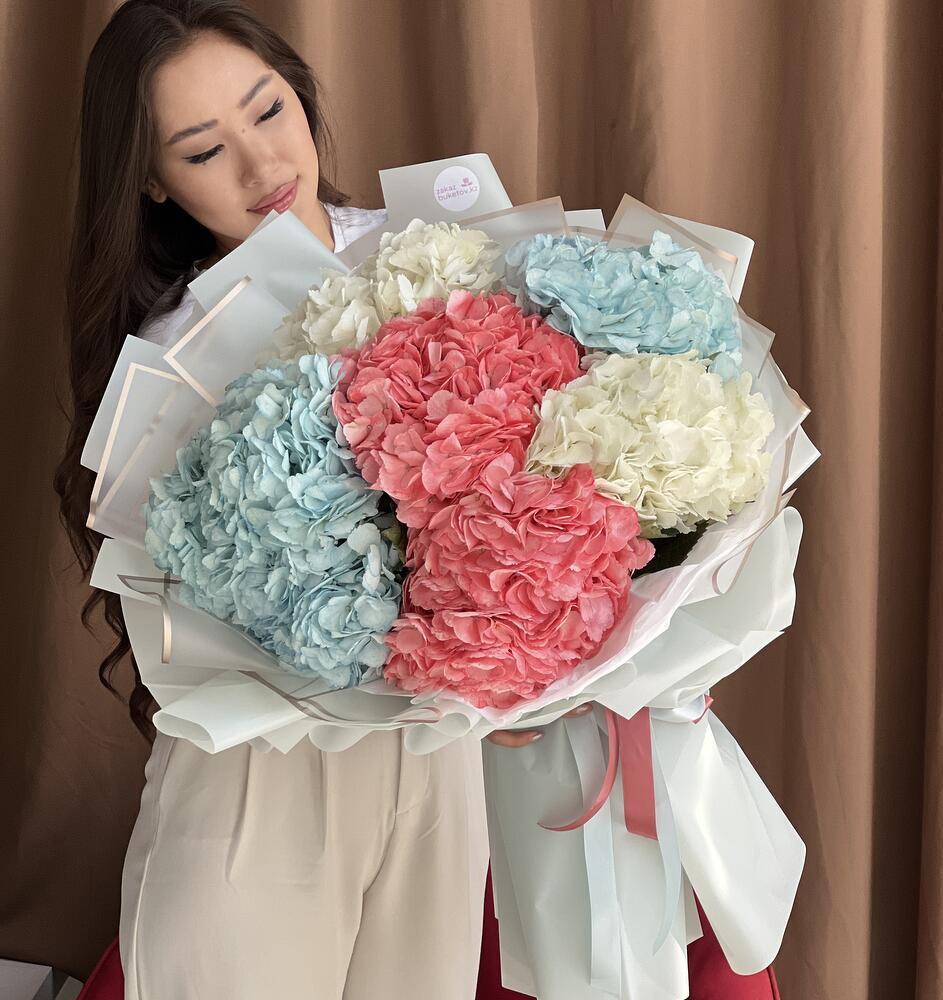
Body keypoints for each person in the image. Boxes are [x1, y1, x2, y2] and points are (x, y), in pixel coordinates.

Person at [53, 2, 532, 996]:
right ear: (153, 181)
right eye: (202, 150)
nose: (261, 163)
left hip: (432, 761)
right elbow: (181, 606)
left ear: (301, 95)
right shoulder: (173, 360)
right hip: (261, 773)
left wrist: (534, 661)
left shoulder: (443, 259)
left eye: (267, 110)